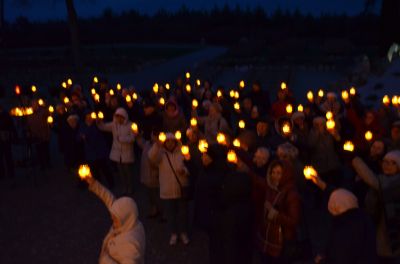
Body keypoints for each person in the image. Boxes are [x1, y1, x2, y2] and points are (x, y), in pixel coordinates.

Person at [309, 173, 378, 264]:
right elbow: (341, 196)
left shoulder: (343, 229)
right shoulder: (363, 217)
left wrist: (322, 261)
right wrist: (322, 184)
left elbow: (341, 257)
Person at [82, 171, 145, 264]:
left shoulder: (131, 244)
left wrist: (106, 260)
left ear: (125, 218)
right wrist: (93, 183)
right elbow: (109, 199)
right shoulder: (130, 222)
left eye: (115, 218)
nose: (112, 219)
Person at [248, 159, 301, 264]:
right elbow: (258, 180)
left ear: (285, 174)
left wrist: (276, 215)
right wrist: (244, 169)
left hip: (281, 242)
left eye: (279, 173)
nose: (274, 176)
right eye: (273, 172)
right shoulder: (270, 188)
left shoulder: (291, 194)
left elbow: (294, 220)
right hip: (267, 239)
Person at [352, 150, 400, 261]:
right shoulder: (384, 179)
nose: (387, 165)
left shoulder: (395, 182)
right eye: (385, 161)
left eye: (393, 163)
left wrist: (355, 159)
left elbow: (373, 181)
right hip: (379, 230)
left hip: (392, 234)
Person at [148, 132, 190, 246]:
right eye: (168, 142)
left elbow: (189, 166)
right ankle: (173, 233)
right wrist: (157, 145)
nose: (170, 144)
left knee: (182, 213)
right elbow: (151, 156)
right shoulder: (160, 155)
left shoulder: (182, 152)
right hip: (167, 191)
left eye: (172, 141)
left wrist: (185, 171)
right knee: (170, 214)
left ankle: (183, 232)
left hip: (180, 189)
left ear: (176, 142)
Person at [98, 108, 136, 195]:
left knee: (128, 172)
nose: (119, 119)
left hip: (127, 153)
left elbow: (133, 138)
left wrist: (122, 139)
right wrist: (99, 122)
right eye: (117, 117)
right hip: (117, 153)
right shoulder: (114, 125)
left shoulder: (130, 125)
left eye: (121, 117)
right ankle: (124, 187)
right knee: (121, 172)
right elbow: (103, 127)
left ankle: (130, 187)